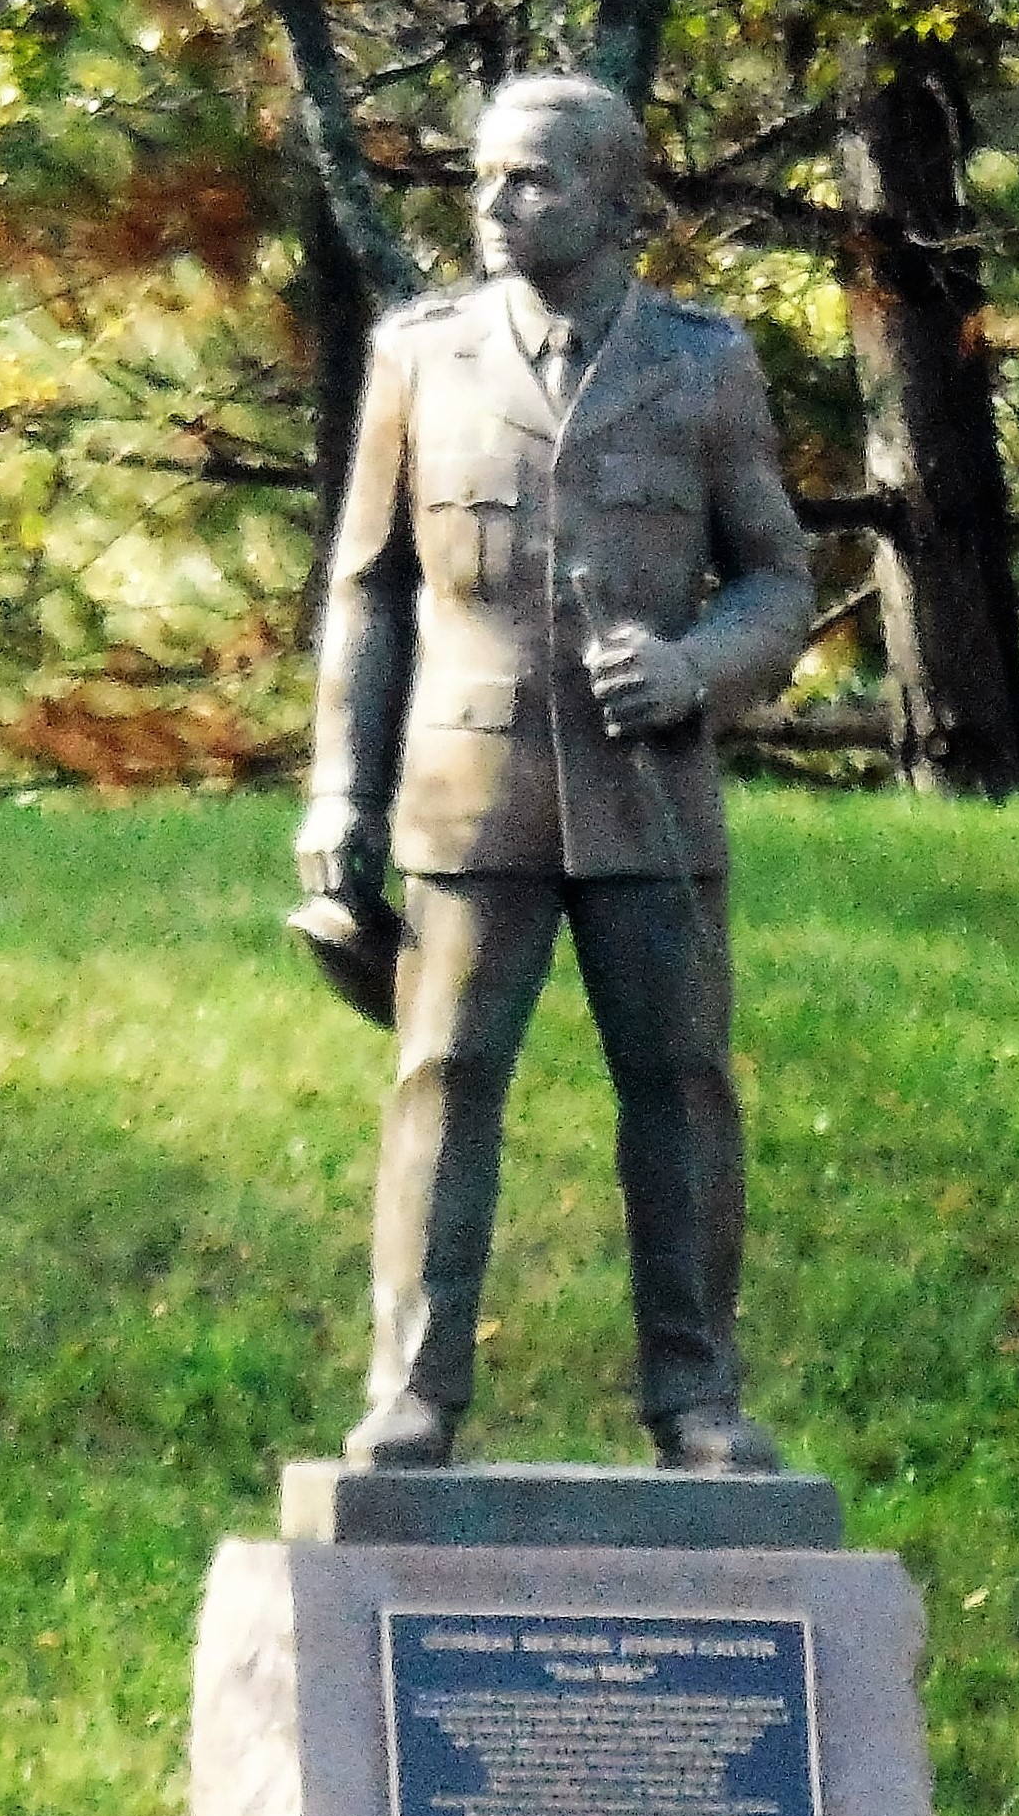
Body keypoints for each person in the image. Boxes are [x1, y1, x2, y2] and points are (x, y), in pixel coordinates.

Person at [295, 72, 814, 1470]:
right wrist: (341, 789)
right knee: (444, 1077)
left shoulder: (703, 365)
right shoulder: (422, 355)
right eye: (485, 176)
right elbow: (368, 589)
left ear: (613, 199)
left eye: (530, 178)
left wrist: (694, 668)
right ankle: (413, 1391)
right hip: (470, 793)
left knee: (682, 1086)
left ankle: (697, 1398)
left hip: (650, 801)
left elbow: (778, 579)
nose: (495, 202)